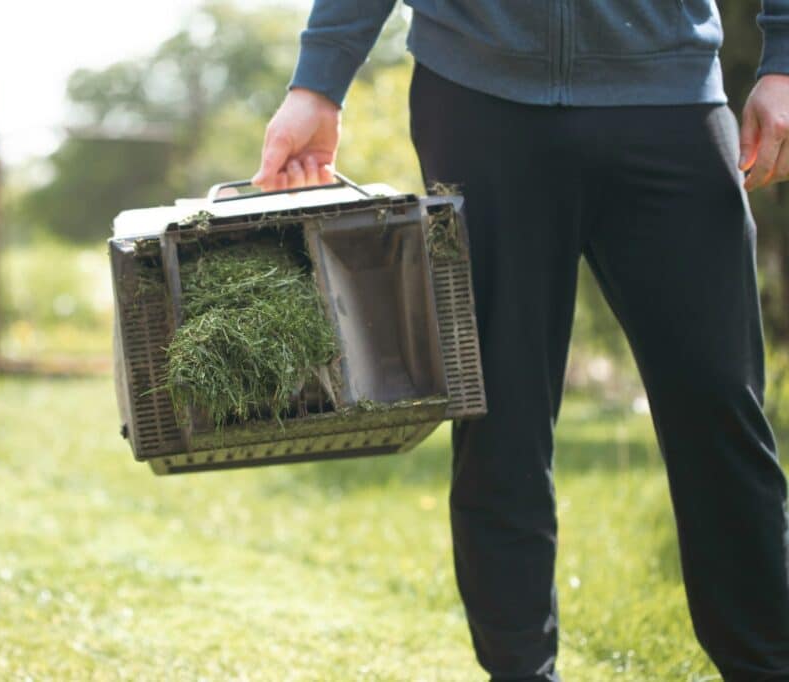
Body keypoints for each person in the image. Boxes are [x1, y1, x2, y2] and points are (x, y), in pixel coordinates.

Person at [252, 2, 789, 680]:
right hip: (478, 96)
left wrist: (785, 58)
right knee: (499, 418)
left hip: (670, 95)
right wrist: (317, 82)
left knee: (721, 412)